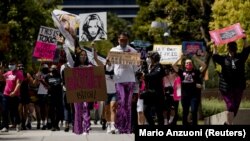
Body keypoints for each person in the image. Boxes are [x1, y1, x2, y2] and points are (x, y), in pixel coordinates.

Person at [212, 37, 250, 125]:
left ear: (236, 48)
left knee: (235, 107)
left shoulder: (241, 57)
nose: (232, 48)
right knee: (231, 105)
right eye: (230, 47)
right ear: (228, 48)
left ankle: (228, 123)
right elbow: (215, 56)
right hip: (225, 87)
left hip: (238, 86)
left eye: (233, 46)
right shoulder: (224, 59)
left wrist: (244, 39)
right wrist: (215, 46)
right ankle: (229, 123)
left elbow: (247, 49)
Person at [109, 32, 139, 133]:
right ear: (118, 40)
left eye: (125, 40)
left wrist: (138, 63)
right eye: (121, 40)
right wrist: (108, 63)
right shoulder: (113, 50)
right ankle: (120, 126)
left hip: (130, 80)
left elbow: (136, 69)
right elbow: (110, 67)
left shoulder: (133, 51)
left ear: (128, 40)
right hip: (119, 80)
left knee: (128, 105)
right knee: (121, 103)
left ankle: (127, 127)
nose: (123, 42)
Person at [172, 54, 206, 125]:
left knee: (194, 111)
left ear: (192, 64)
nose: (188, 64)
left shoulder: (196, 72)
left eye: (190, 63)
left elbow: (204, 66)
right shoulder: (181, 72)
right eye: (187, 63)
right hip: (185, 96)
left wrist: (196, 58)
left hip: (194, 96)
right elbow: (173, 65)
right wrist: (180, 58)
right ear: (185, 65)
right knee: (185, 112)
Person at [0, 59, 24, 132]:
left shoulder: (19, 73)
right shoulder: (8, 73)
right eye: (10, 64)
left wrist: (14, 92)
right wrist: (1, 69)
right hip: (6, 94)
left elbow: (18, 84)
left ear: (16, 65)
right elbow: (1, 78)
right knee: (4, 110)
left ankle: (18, 124)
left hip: (14, 95)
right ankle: (5, 126)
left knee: (14, 111)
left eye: (12, 64)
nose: (11, 65)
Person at [142, 52, 165, 126]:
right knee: (145, 111)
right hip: (149, 92)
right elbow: (144, 73)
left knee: (159, 112)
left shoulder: (159, 66)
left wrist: (145, 76)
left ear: (154, 58)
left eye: (150, 57)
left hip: (157, 93)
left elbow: (156, 75)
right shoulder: (148, 66)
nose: (148, 59)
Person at [103, 59, 117, 134]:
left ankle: (113, 125)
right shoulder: (104, 68)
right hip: (105, 93)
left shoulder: (116, 68)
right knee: (107, 110)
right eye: (108, 59)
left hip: (114, 92)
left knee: (113, 108)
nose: (109, 61)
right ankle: (108, 124)